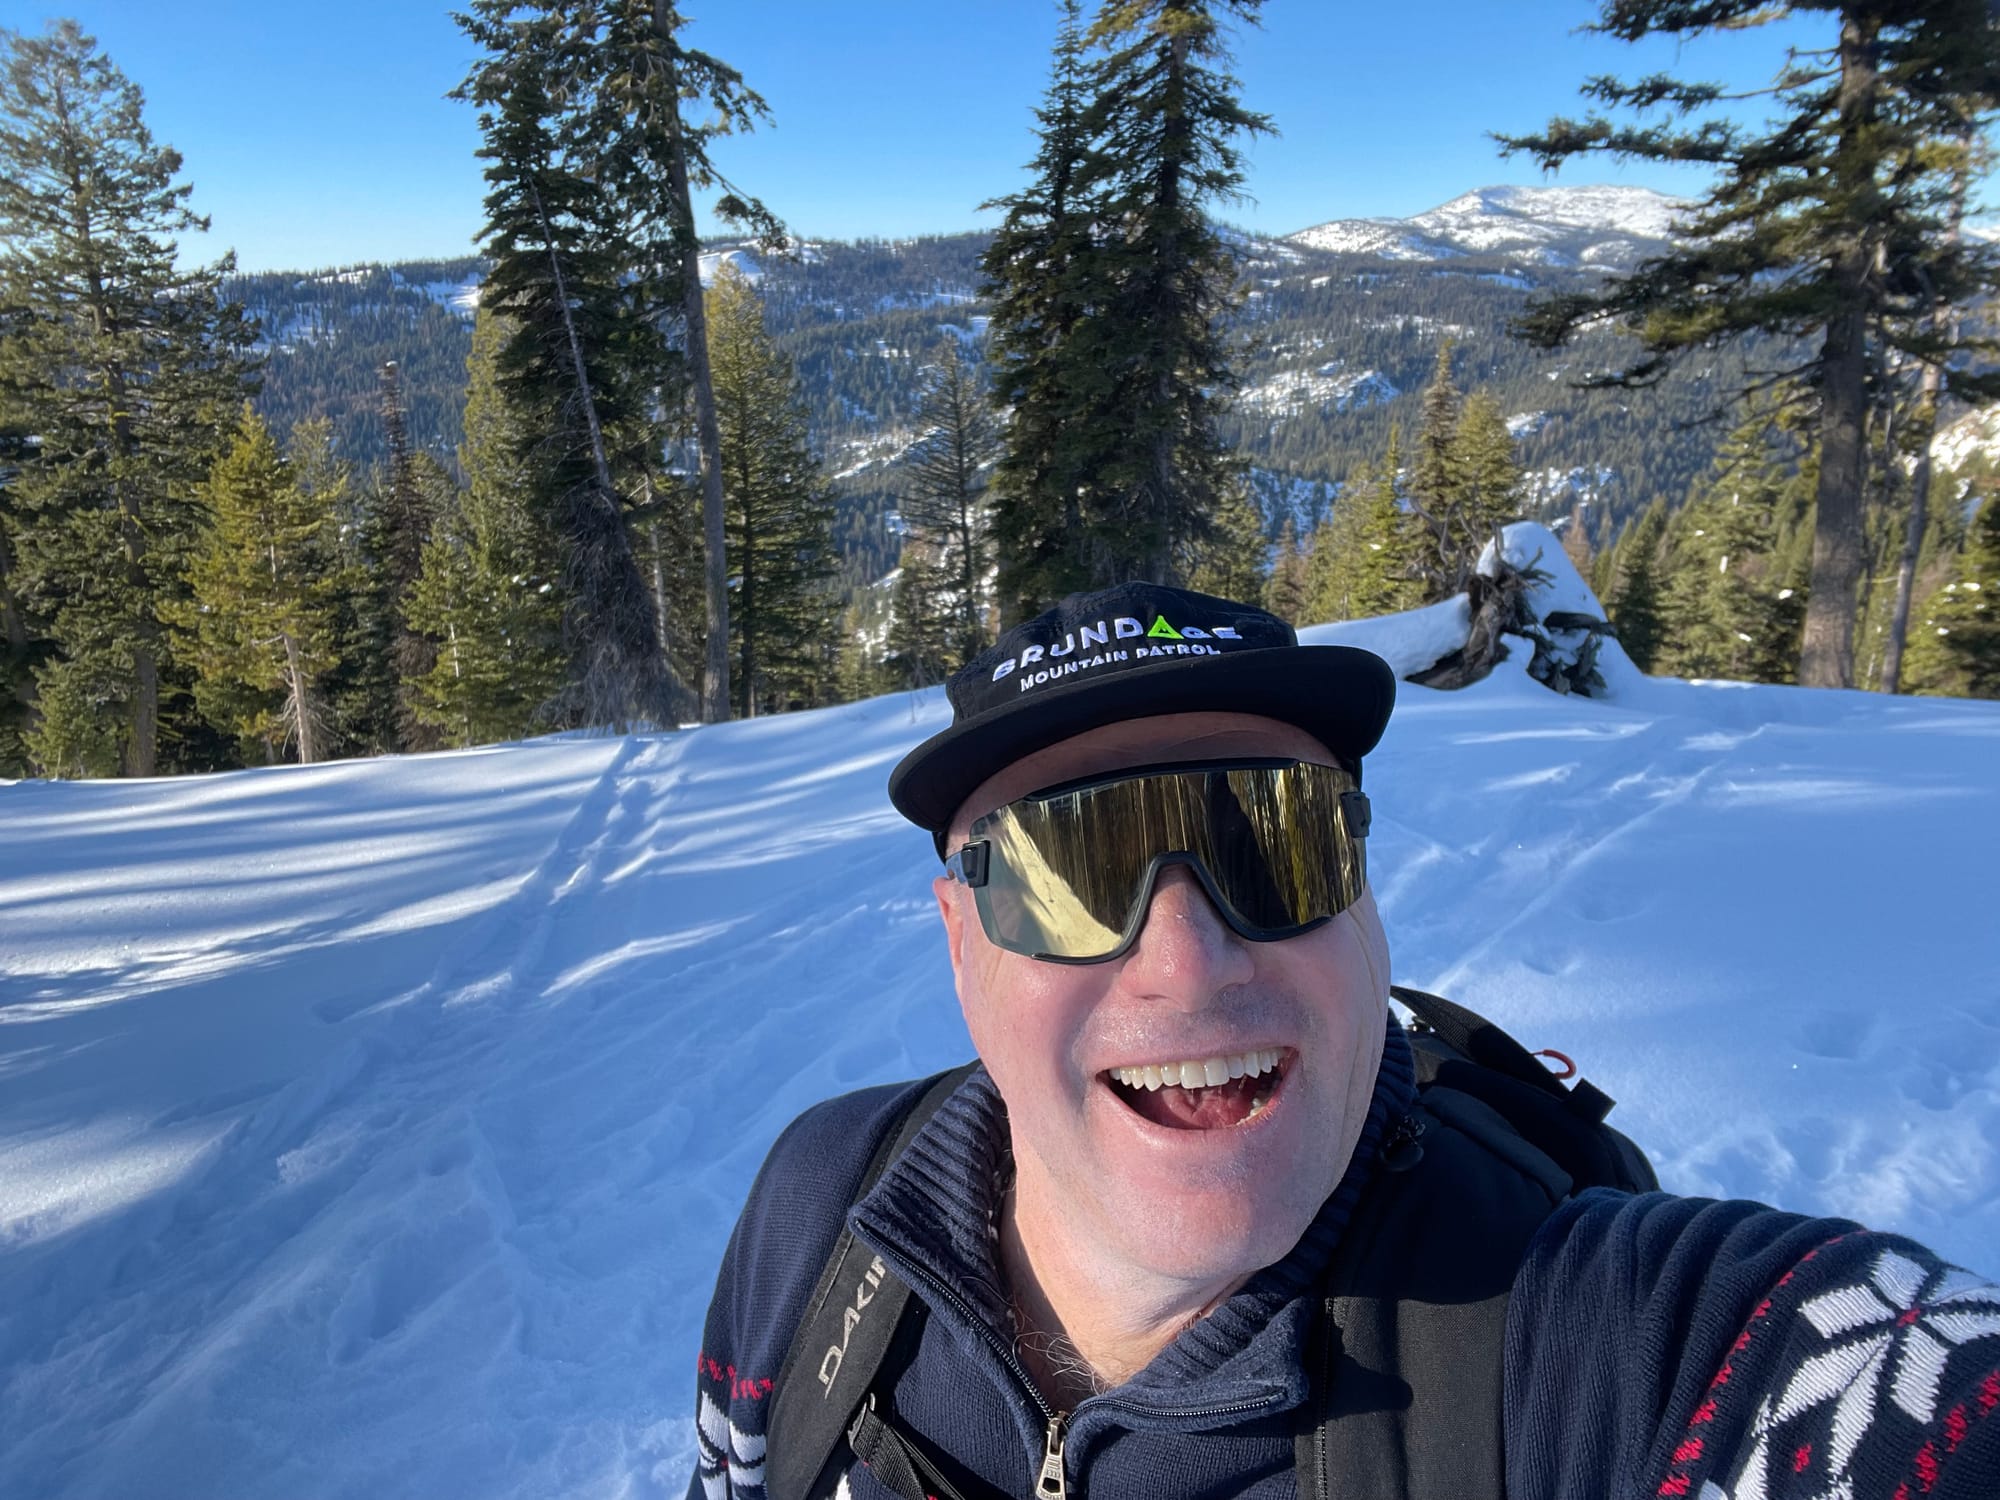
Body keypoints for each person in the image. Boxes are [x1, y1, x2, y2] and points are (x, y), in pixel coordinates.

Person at [689, 582, 2000, 1500]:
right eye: (1068, 871)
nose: (1186, 959)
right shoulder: (825, 1215)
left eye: (1278, 838)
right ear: (963, 942)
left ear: (1366, 899)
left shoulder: (1586, 1356)